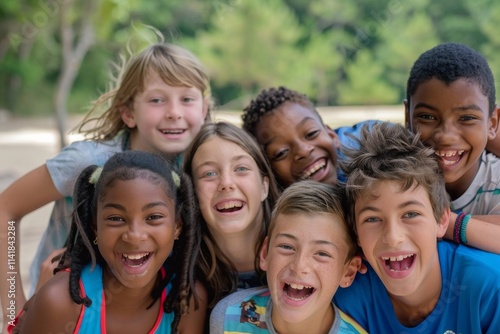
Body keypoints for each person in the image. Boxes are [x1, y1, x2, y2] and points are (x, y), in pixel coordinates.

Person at [0, 41, 211, 330]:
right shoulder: (89, 161)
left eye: (187, 99)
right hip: (67, 306)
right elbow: (5, 210)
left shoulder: (199, 169)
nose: (174, 112)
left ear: (205, 109)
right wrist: (11, 308)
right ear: (128, 113)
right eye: (157, 100)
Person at [11, 150, 206, 333]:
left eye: (153, 217)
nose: (135, 235)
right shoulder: (60, 302)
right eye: (116, 218)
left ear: (177, 226)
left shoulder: (186, 301)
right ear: (95, 227)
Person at [333, 122, 500, 333]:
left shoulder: (490, 289)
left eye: (411, 214)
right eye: (372, 219)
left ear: (441, 220)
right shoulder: (348, 295)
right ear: (355, 233)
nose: (393, 237)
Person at [210, 180, 366, 334]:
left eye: (322, 253)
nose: (299, 267)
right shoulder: (228, 318)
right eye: (287, 247)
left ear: (348, 272)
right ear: (265, 254)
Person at [405, 42, 500, 254]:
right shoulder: (393, 174)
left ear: (492, 123)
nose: (446, 136)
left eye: (467, 118)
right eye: (427, 117)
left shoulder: (496, 180)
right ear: (407, 117)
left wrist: (443, 224)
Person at [183, 122, 280, 310]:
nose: (226, 183)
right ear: (192, 194)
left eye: (241, 168)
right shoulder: (182, 274)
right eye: (209, 173)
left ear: (264, 187)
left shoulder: (296, 257)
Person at [241, 86, 377, 189]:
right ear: (268, 173)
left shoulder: (367, 144)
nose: (303, 151)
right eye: (281, 152)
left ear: (331, 135)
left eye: (311, 133)